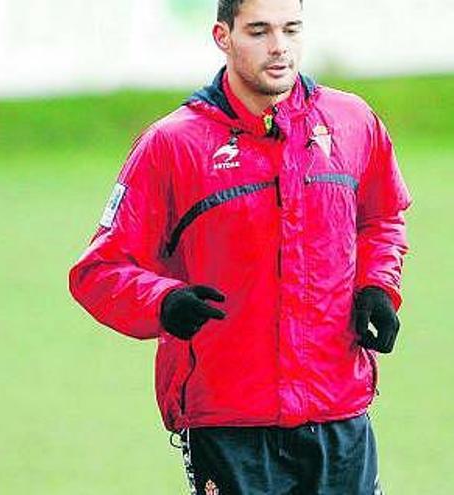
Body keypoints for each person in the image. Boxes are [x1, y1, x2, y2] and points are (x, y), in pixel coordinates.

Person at [69, 0, 411, 493]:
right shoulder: (172, 145)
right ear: (222, 36)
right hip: (230, 425)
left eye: (291, 30)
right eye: (259, 31)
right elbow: (98, 271)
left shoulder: (353, 122)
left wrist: (377, 285)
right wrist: (162, 301)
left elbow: (382, 218)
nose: (279, 47)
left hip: (339, 409)